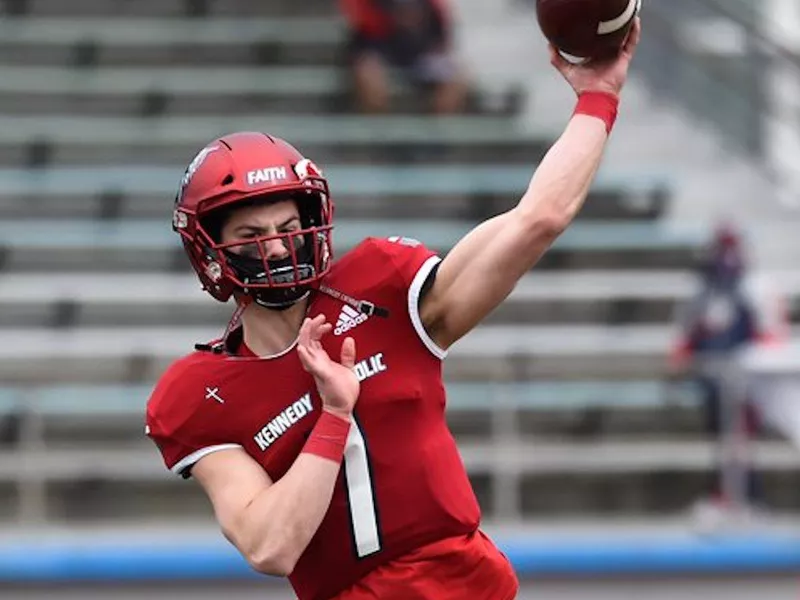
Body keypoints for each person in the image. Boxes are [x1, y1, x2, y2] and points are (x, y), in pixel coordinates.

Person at [145, 21, 641, 600]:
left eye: (288, 226)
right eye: (253, 233)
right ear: (210, 250)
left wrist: (598, 96)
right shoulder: (200, 392)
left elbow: (538, 218)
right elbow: (269, 545)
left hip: (468, 583)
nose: (278, 246)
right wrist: (333, 414)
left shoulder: (380, 289)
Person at [670, 224, 786, 520]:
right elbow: (685, 338)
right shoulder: (701, 287)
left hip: (748, 377)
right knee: (723, 439)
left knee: (739, 440)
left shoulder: (754, 286)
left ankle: (746, 498)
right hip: (713, 376)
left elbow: (770, 335)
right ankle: (726, 496)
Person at [339, 0, 468, 114]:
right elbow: (360, 24)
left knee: (457, 78)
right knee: (370, 76)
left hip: (419, 52)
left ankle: (436, 134)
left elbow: (441, 33)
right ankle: (377, 134)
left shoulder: (431, 6)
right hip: (377, 47)